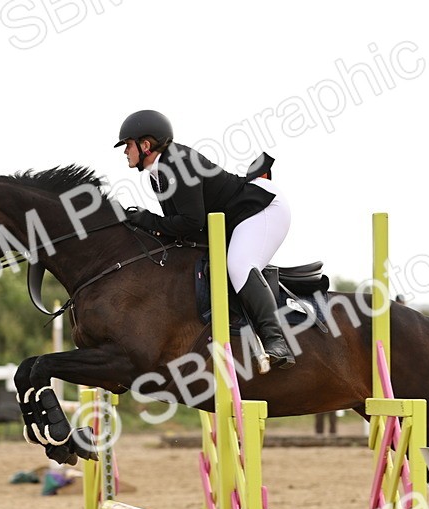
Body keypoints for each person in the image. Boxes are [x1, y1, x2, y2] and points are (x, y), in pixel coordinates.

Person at [115, 109, 295, 370]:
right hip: (234, 219)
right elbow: (179, 230)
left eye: (128, 145)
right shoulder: (158, 174)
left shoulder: (178, 163)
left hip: (262, 209)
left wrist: (146, 220)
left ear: (145, 145)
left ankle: (276, 341)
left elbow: (191, 222)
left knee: (239, 265)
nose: (125, 152)